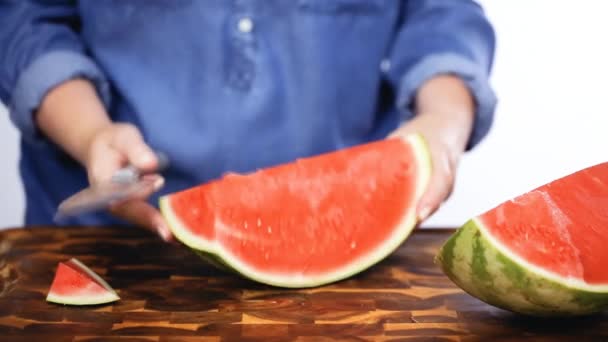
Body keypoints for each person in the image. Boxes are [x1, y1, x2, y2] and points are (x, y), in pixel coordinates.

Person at [0, 1, 497, 242]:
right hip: (110, 242)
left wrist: (443, 122)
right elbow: (26, 19)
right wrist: (91, 134)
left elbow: (443, 18)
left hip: (342, 233)